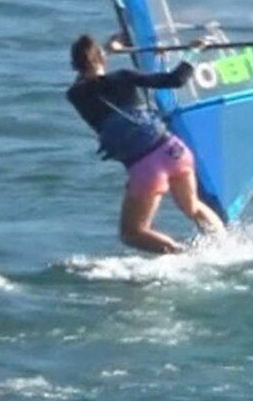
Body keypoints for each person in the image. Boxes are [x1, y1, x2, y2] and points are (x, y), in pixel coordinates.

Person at [66, 34, 224, 254]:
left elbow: (86, 79)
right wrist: (194, 50)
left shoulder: (75, 94)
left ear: (74, 65)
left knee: (132, 233)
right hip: (173, 149)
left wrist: (105, 50)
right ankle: (225, 246)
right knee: (193, 206)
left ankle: (185, 257)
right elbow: (175, 80)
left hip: (146, 167)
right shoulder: (124, 77)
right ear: (101, 59)